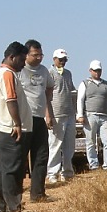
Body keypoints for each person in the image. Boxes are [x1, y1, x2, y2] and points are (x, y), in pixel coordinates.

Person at [0, 41, 32, 212]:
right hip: (10, 128)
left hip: (5, 128)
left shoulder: (5, 73)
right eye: (22, 59)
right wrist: (17, 123)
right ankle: (13, 207)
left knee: (2, 168)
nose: (24, 63)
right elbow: (11, 100)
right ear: (12, 57)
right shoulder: (7, 74)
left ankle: (1, 206)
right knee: (13, 169)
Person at [17, 39, 54, 202]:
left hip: (39, 118)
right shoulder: (19, 70)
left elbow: (49, 90)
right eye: (35, 54)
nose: (39, 58)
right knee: (20, 156)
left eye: (41, 54)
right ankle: (15, 193)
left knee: (41, 155)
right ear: (26, 54)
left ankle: (38, 193)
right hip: (24, 118)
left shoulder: (44, 71)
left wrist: (49, 113)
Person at [76, 60, 107, 170]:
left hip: (104, 116)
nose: (97, 73)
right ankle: (93, 164)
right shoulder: (85, 83)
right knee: (90, 142)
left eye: (99, 70)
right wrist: (80, 114)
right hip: (90, 115)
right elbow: (80, 99)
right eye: (95, 71)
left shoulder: (106, 84)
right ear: (90, 71)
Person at [47, 48, 76, 184]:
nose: (63, 62)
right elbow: (46, 94)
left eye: (64, 60)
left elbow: (72, 90)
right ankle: (52, 173)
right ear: (54, 59)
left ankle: (67, 172)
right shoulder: (49, 73)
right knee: (55, 145)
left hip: (69, 113)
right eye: (60, 59)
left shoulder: (68, 73)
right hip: (56, 113)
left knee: (69, 146)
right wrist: (49, 115)